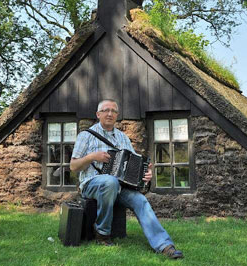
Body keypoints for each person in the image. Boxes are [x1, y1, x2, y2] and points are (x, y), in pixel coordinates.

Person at [70, 99, 184, 259]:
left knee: (140, 201)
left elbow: (135, 163)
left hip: (119, 186)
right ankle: (102, 232)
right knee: (110, 181)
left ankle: (164, 245)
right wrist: (92, 157)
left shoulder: (123, 138)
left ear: (117, 115)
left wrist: (146, 173)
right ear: (98, 114)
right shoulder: (86, 136)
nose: (110, 114)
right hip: (91, 184)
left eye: (113, 111)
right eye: (106, 110)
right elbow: (73, 166)